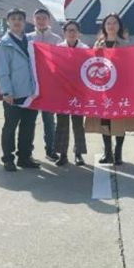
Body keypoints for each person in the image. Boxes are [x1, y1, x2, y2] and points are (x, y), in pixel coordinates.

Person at [85, 13, 134, 165]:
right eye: (108, 23)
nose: (111, 26)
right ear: (104, 26)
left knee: (119, 120)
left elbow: (131, 66)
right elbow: (92, 63)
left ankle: (118, 152)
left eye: (114, 23)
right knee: (104, 121)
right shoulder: (98, 44)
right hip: (103, 90)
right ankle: (108, 152)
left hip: (120, 89)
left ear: (119, 26)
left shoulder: (125, 44)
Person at [0, 8, 41, 172]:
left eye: (20, 19)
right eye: (13, 19)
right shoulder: (2, 44)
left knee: (28, 126)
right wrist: (6, 92)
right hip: (13, 93)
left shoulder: (31, 42)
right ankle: (8, 158)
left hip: (30, 92)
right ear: (8, 22)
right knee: (10, 126)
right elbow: (2, 71)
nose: (16, 22)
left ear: (24, 22)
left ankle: (24, 157)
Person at [52, 21, 89, 167]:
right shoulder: (58, 48)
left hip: (79, 92)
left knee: (78, 124)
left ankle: (78, 154)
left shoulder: (84, 49)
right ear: (64, 33)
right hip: (62, 92)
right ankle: (62, 154)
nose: (71, 33)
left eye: (74, 30)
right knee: (62, 123)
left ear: (78, 32)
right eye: (68, 30)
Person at [27, 8, 62, 162]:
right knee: (29, 120)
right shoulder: (27, 38)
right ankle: (27, 151)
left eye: (44, 18)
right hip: (31, 86)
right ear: (33, 20)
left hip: (50, 86)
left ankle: (51, 150)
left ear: (49, 20)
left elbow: (60, 62)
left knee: (49, 120)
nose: (41, 21)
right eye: (38, 18)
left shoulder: (56, 39)